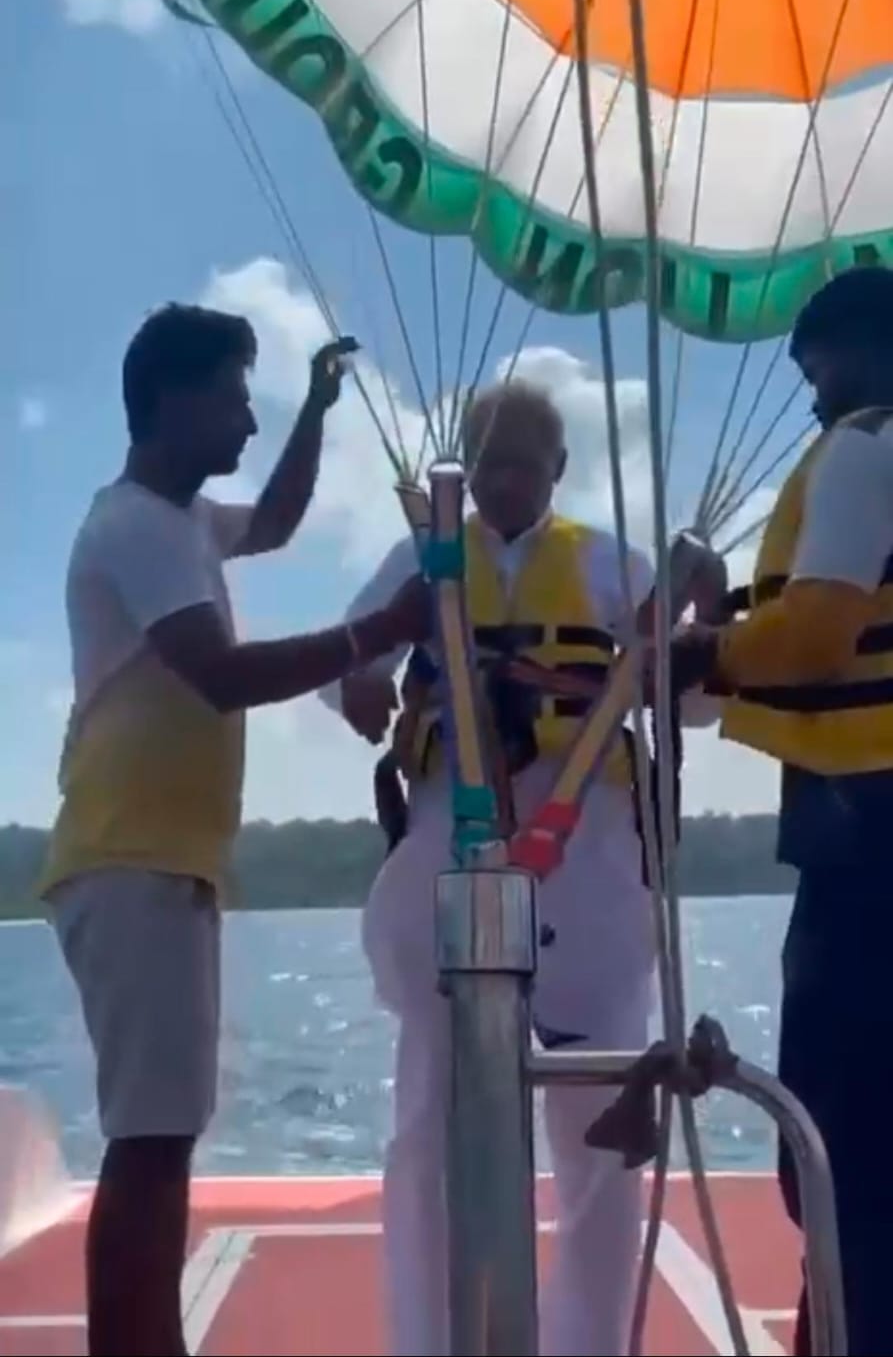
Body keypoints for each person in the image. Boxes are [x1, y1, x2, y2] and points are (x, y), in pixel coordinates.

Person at [39, 304, 429, 1357]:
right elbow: (217, 674)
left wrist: (315, 409)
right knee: (149, 1142)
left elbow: (279, 522)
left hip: (157, 862)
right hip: (130, 860)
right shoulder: (135, 527)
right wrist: (381, 629)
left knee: (160, 1136)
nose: (247, 424)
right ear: (171, 401)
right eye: (234, 401)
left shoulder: (183, 523)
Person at [321, 379, 723, 1357]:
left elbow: (694, 701)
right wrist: (360, 684)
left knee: (602, 1122)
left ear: (556, 469)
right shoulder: (423, 557)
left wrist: (702, 614)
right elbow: (350, 661)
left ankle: (587, 1343)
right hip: (447, 842)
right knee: (427, 1118)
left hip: (588, 855)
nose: (503, 480)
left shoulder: (609, 562)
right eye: (487, 461)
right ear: (464, 464)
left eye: (522, 463)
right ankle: (430, 1340)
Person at [669, 264, 893, 1356]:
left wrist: (699, 647)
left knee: (845, 1156)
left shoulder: (864, 447)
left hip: (866, 851)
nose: (811, 401)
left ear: (861, 353)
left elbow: (812, 637)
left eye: (816, 375)